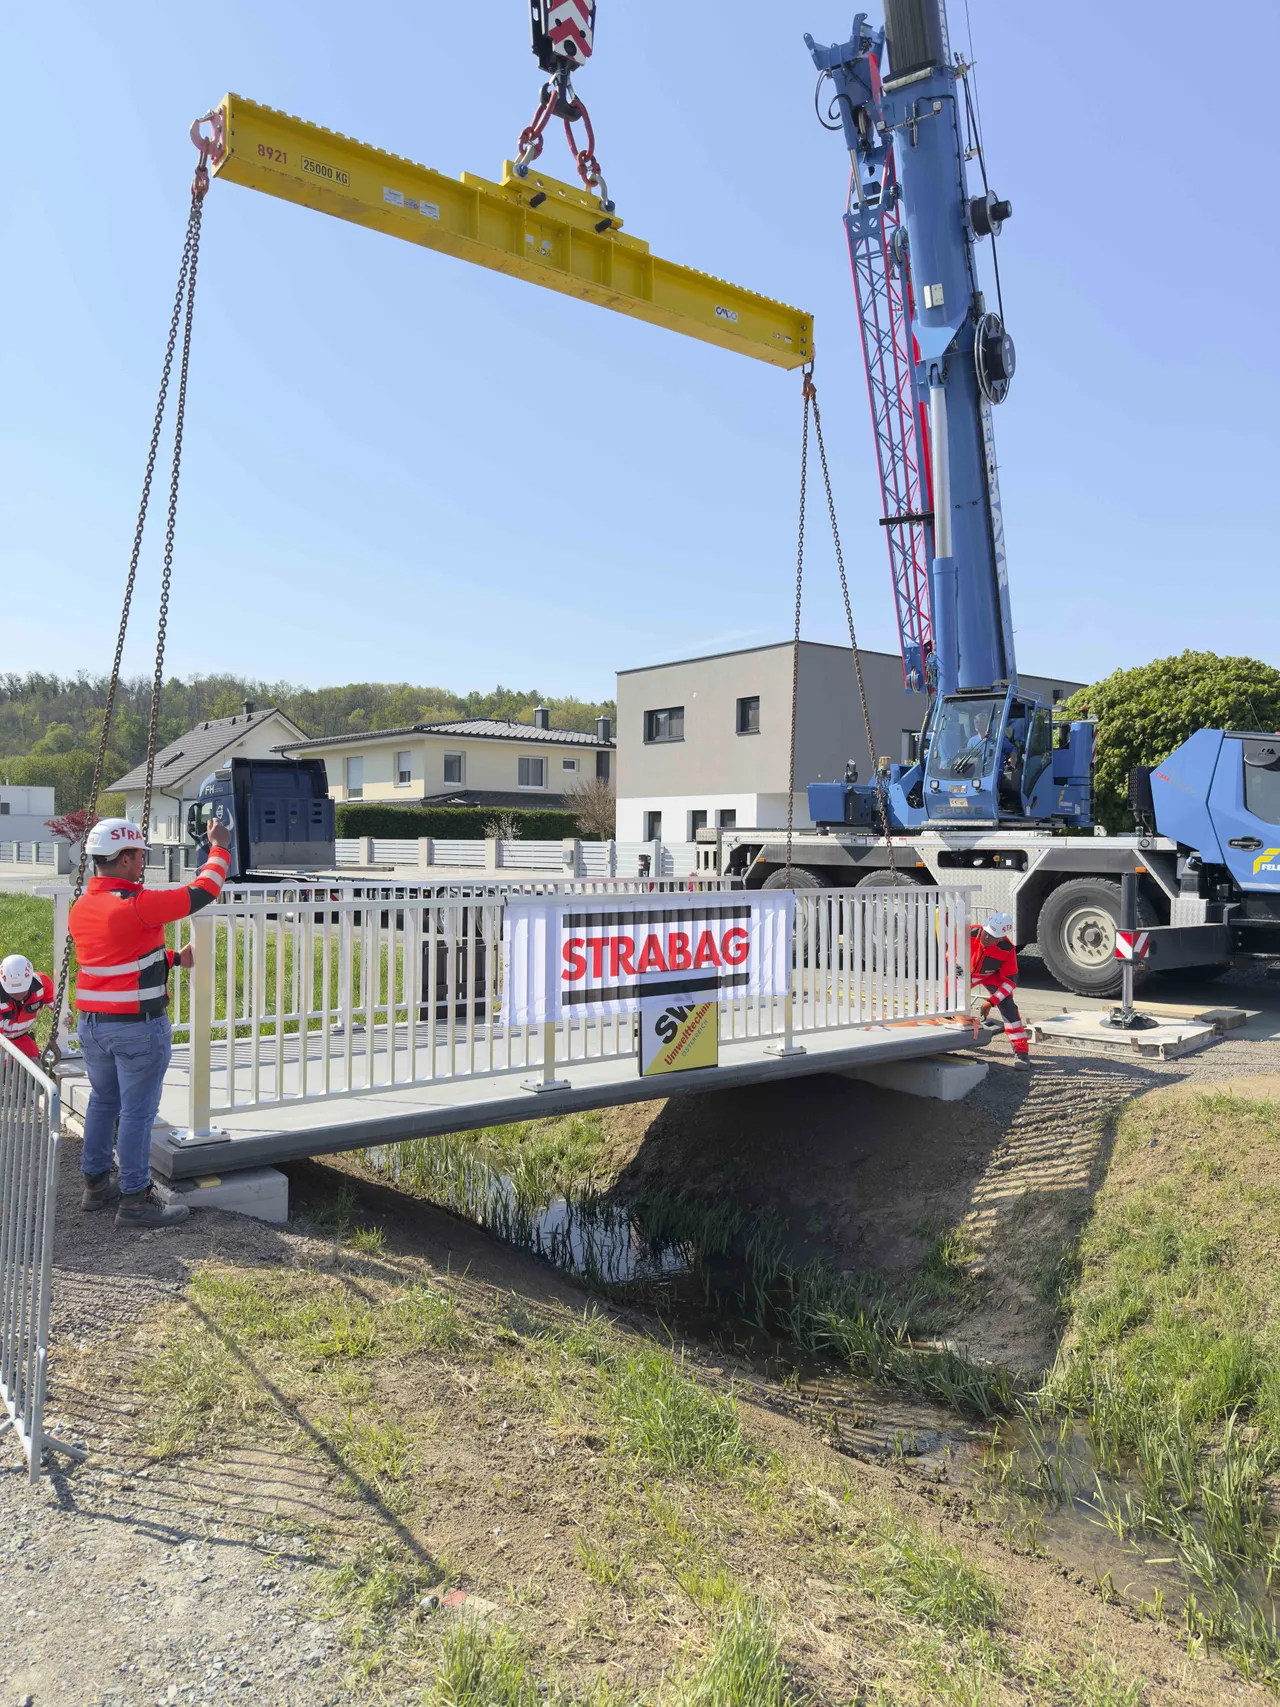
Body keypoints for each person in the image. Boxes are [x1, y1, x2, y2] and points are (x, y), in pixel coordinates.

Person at [69, 815, 232, 1228]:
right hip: (137, 1028)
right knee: (138, 1115)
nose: (143, 863)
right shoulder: (138, 904)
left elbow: (118, 959)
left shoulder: (82, 905)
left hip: (93, 1027)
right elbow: (204, 890)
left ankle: (94, 1186)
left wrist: (174, 958)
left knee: (104, 1104)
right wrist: (220, 846)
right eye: (140, 855)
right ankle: (135, 1201)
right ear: (124, 859)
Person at [970, 908, 1030, 1068]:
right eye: (986, 932)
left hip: (991, 975)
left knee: (1009, 1007)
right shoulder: (969, 933)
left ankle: (1021, 1053)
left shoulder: (1007, 949)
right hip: (965, 973)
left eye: (993, 936)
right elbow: (947, 949)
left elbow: (1009, 982)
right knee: (947, 998)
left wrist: (991, 1002)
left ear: (1002, 937)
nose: (987, 937)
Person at [0, 954, 55, 1063]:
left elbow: (58, 1005)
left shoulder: (42, 983)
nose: (18, 995)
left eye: (22, 991)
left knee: (35, 1063)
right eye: (13, 993)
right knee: (5, 1068)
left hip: (21, 1038)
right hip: (3, 1040)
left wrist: (66, 1014)